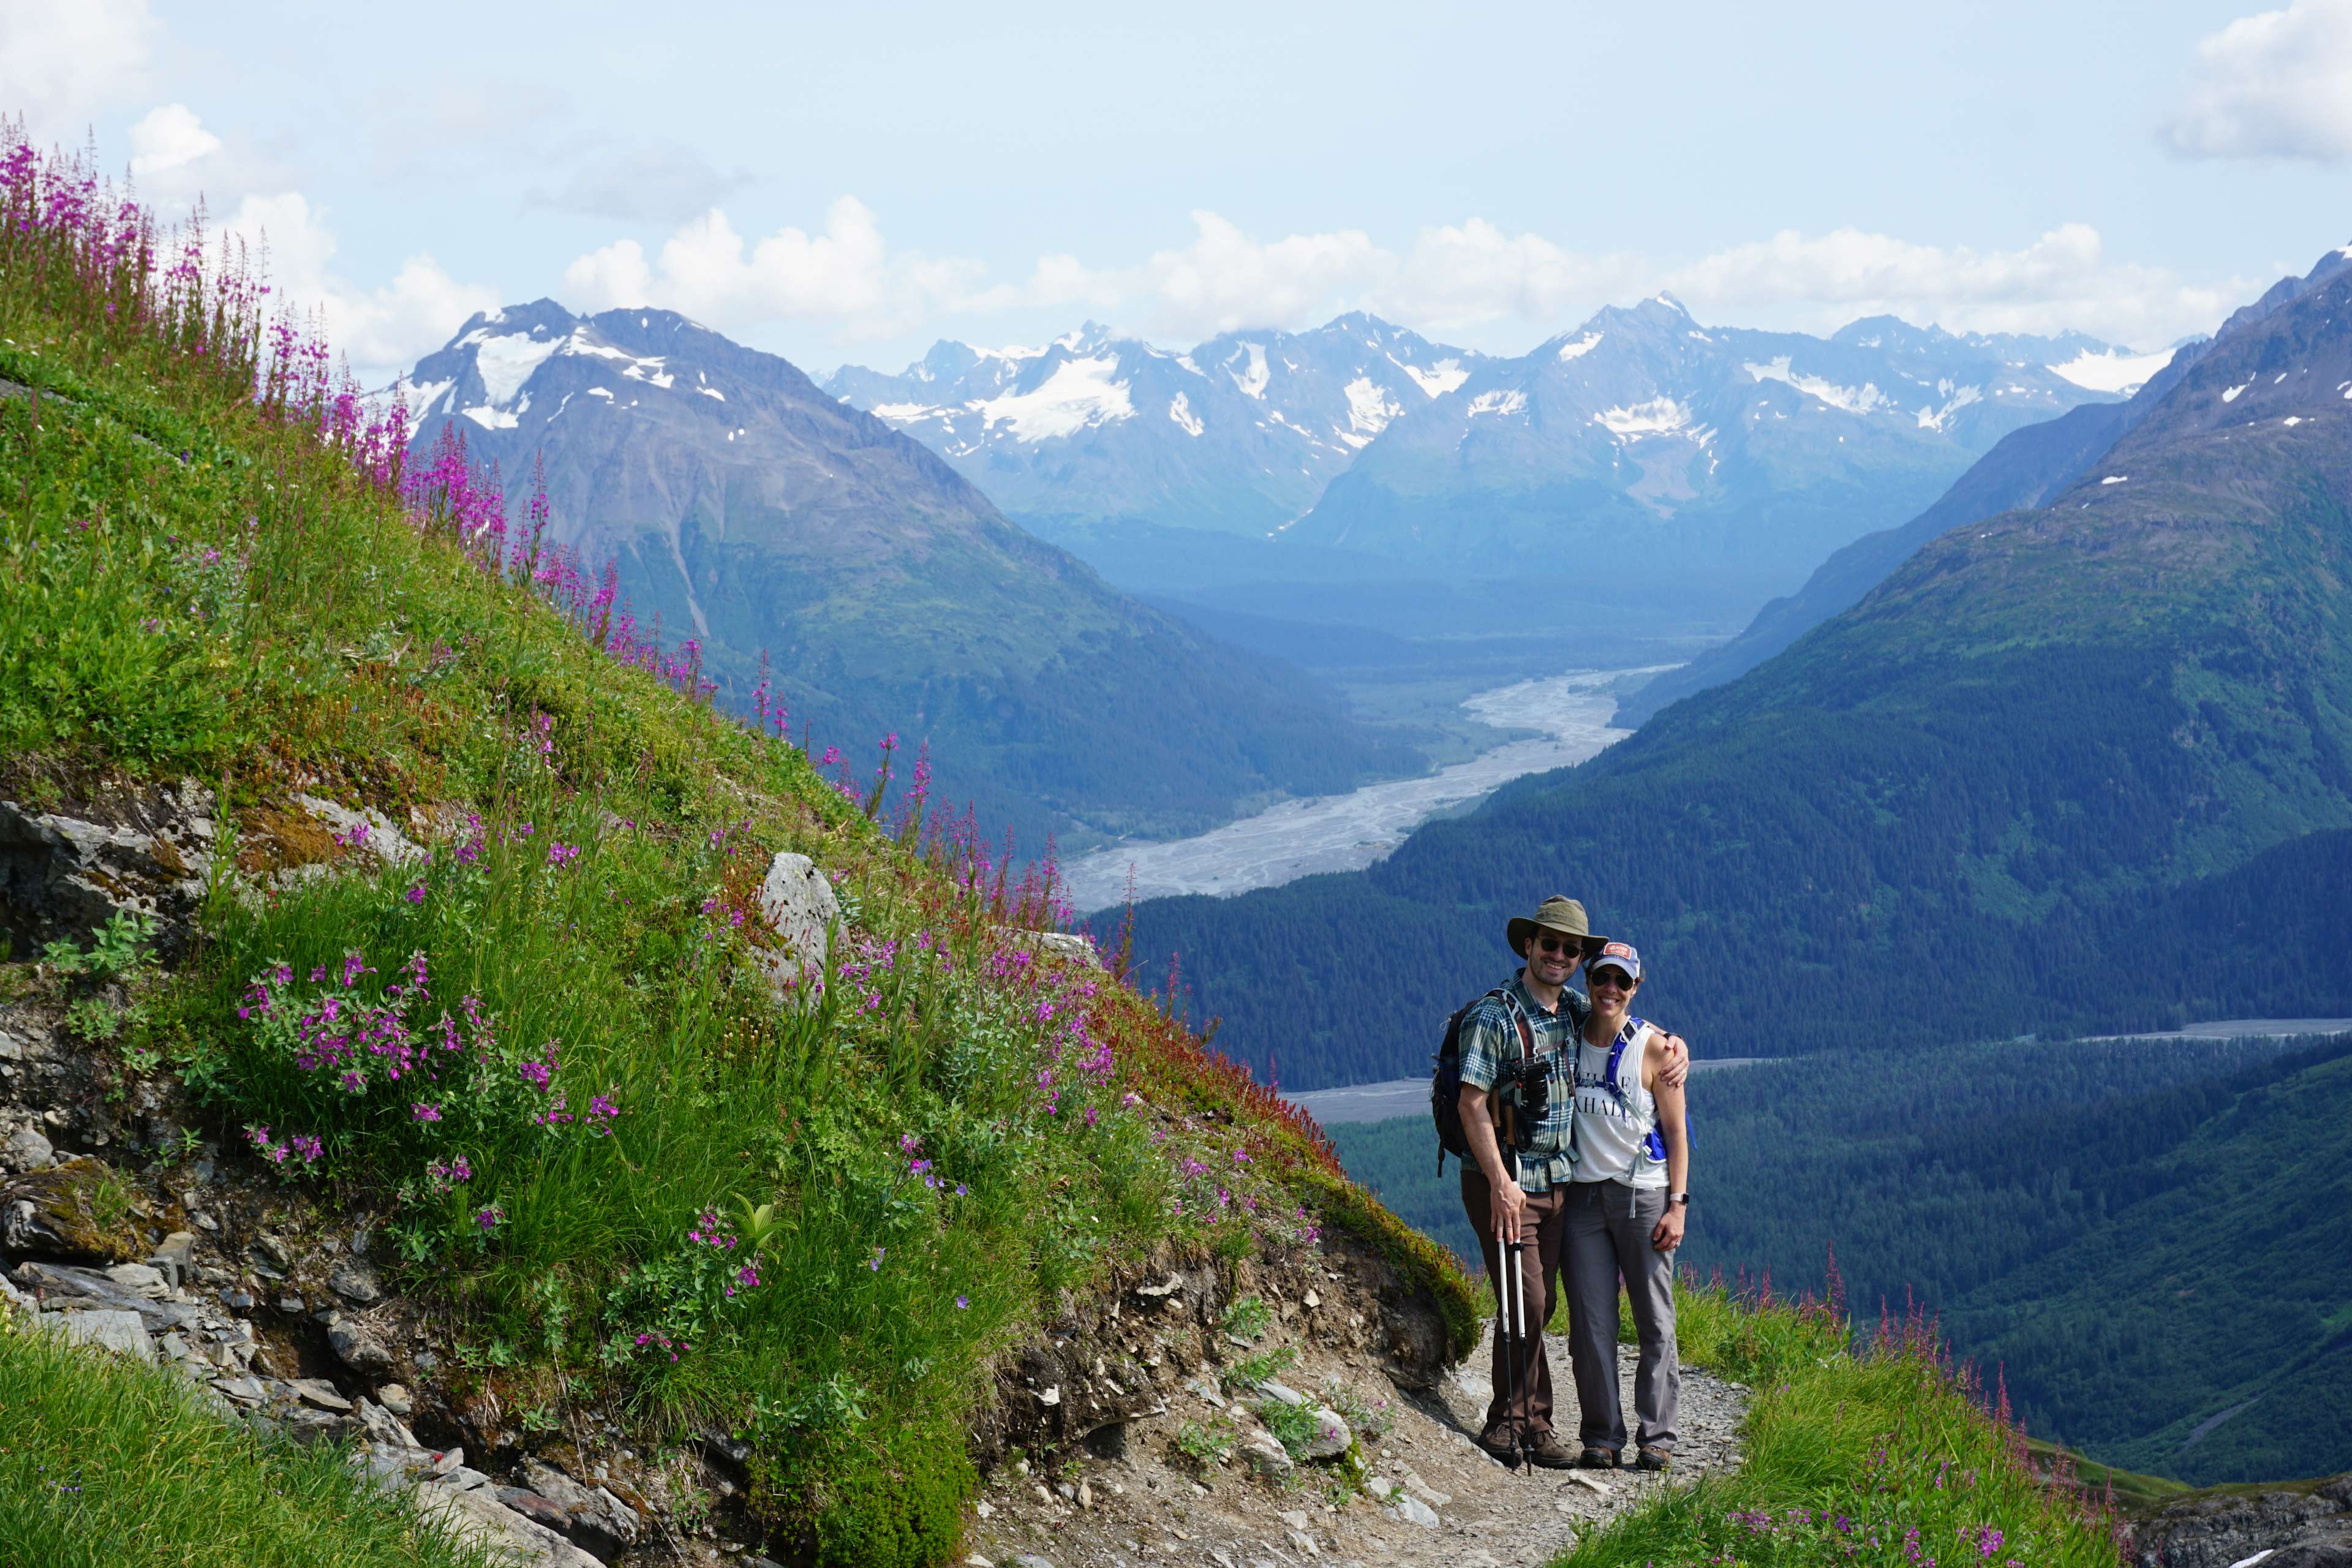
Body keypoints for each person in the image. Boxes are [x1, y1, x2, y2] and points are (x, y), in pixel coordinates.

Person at [1455, 899, 1687, 1469]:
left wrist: (1675, 1047)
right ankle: (1509, 1424)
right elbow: (1471, 1103)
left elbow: (1623, 1023)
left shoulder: (1571, 1011)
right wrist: (1500, 1181)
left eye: (1570, 949)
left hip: (1565, 1185)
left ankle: (1537, 1423)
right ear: (1529, 946)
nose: (1559, 955)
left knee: (1545, 1302)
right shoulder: (1495, 1015)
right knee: (1529, 1302)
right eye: (1550, 944)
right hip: (1509, 1183)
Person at [1562, 939, 1689, 1471]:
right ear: (1587, 981)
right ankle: (1601, 1436)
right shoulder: (1566, 1034)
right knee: (1591, 1324)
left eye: (1622, 981)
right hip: (1583, 1199)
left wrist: (1678, 1204)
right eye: (1602, 978)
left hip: (1644, 1194)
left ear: (1636, 988)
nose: (1610, 989)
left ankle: (1657, 1435)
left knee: (1654, 1320)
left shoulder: (1656, 1048)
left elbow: (1678, 1132)